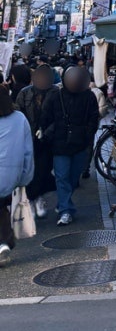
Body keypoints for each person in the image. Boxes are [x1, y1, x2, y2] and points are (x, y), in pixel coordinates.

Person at [40, 66, 98, 226]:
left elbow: (94, 118)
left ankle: (62, 203)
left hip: (80, 144)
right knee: (62, 177)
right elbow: (45, 117)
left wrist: (87, 135)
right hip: (59, 145)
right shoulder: (55, 96)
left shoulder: (89, 97)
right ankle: (66, 211)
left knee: (73, 177)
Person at [0, 83, 34, 267]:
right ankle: (4, 241)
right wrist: (24, 179)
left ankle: (4, 241)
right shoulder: (19, 118)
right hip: (11, 176)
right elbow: (28, 152)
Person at [16, 64, 57, 218]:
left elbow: (59, 116)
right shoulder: (24, 93)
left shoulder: (55, 92)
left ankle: (37, 199)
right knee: (29, 171)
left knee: (43, 170)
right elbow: (18, 114)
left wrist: (47, 132)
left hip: (48, 140)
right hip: (27, 139)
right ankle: (32, 200)